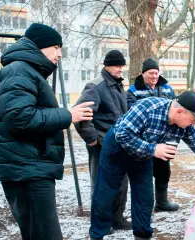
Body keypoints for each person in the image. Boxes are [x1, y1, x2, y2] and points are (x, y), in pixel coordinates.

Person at [89, 91, 195, 240]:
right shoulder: (148, 107)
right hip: (117, 149)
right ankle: (97, 235)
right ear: (179, 112)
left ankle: (142, 236)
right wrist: (154, 149)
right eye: (194, 119)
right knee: (106, 193)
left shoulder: (185, 126)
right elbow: (123, 134)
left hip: (142, 156)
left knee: (145, 198)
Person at [0, 23, 94, 240]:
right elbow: (20, 118)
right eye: (56, 47)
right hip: (27, 170)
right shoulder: (18, 71)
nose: (60, 53)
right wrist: (68, 115)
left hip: (31, 168)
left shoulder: (28, 72)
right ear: (39, 46)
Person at [74, 50, 131, 230]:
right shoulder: (96, 86)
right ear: (107, 66)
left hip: (120, 143)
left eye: (122, 65)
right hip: (101, 144)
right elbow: (81, 113)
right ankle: (102, 223)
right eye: (117, 65)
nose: (120, 68)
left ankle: (117, 219)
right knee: (102, 184)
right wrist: (92, 139)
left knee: (121, 183)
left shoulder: (117, 85)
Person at [127, 58, 178, 212]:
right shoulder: (133, 91)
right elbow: (131, 112)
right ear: (143, 74)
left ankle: (162, 202)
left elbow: (175, 107)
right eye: (151, 73)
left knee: (163, 172)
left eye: (156, 73)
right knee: (144, 174)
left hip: (164, 139)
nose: (154, 76)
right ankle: (145, 207)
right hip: (144, 141)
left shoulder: (167, 89)